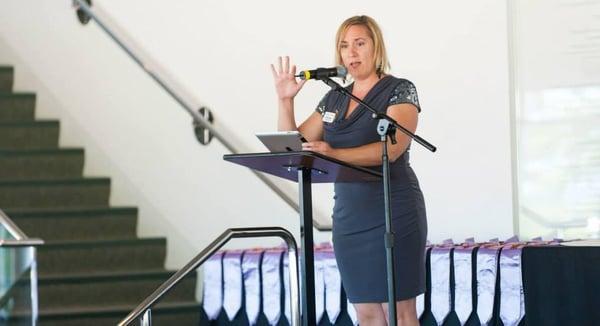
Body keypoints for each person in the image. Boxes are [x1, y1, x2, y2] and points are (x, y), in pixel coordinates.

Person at [271, 15, 427, 326]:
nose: (351, 53)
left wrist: (335, 153)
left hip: (393, 211)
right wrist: (285, 100)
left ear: (376, 47)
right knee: (366, 313)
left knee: (399, 310)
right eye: (344, 46)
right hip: (350, 219)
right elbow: (294, 145)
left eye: (359, 43)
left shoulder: (399, 90)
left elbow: (393, 148)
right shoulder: (335, 97)